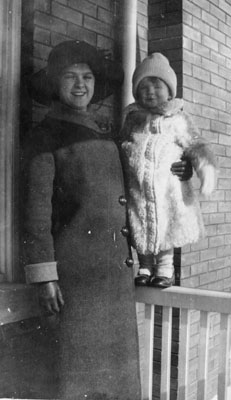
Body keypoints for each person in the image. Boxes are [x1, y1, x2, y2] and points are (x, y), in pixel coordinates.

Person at [22, 42, 192, 399]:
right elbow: (36, 212)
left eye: (87, 77)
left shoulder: (105, 133)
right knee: (81, 381)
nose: (80, 84)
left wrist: (183, 168)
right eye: (70, 77)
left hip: (114, 280)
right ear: (55, 84)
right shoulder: (45, 136)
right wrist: (45, 275)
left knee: (118, 383)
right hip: (76, 284)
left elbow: (148, 176)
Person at [120, 52, 217, 289]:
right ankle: (144, 266)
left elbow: (196, 145)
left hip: (167, 190)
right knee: (140, 223)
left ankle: (164, 268)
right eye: (143, 86)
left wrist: (205, 171)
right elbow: (121, 147)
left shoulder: (178, 119)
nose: (150, 91)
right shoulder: (132, 120)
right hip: (138, 190)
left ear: (169, 90)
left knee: (165, 223)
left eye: (156, 85)